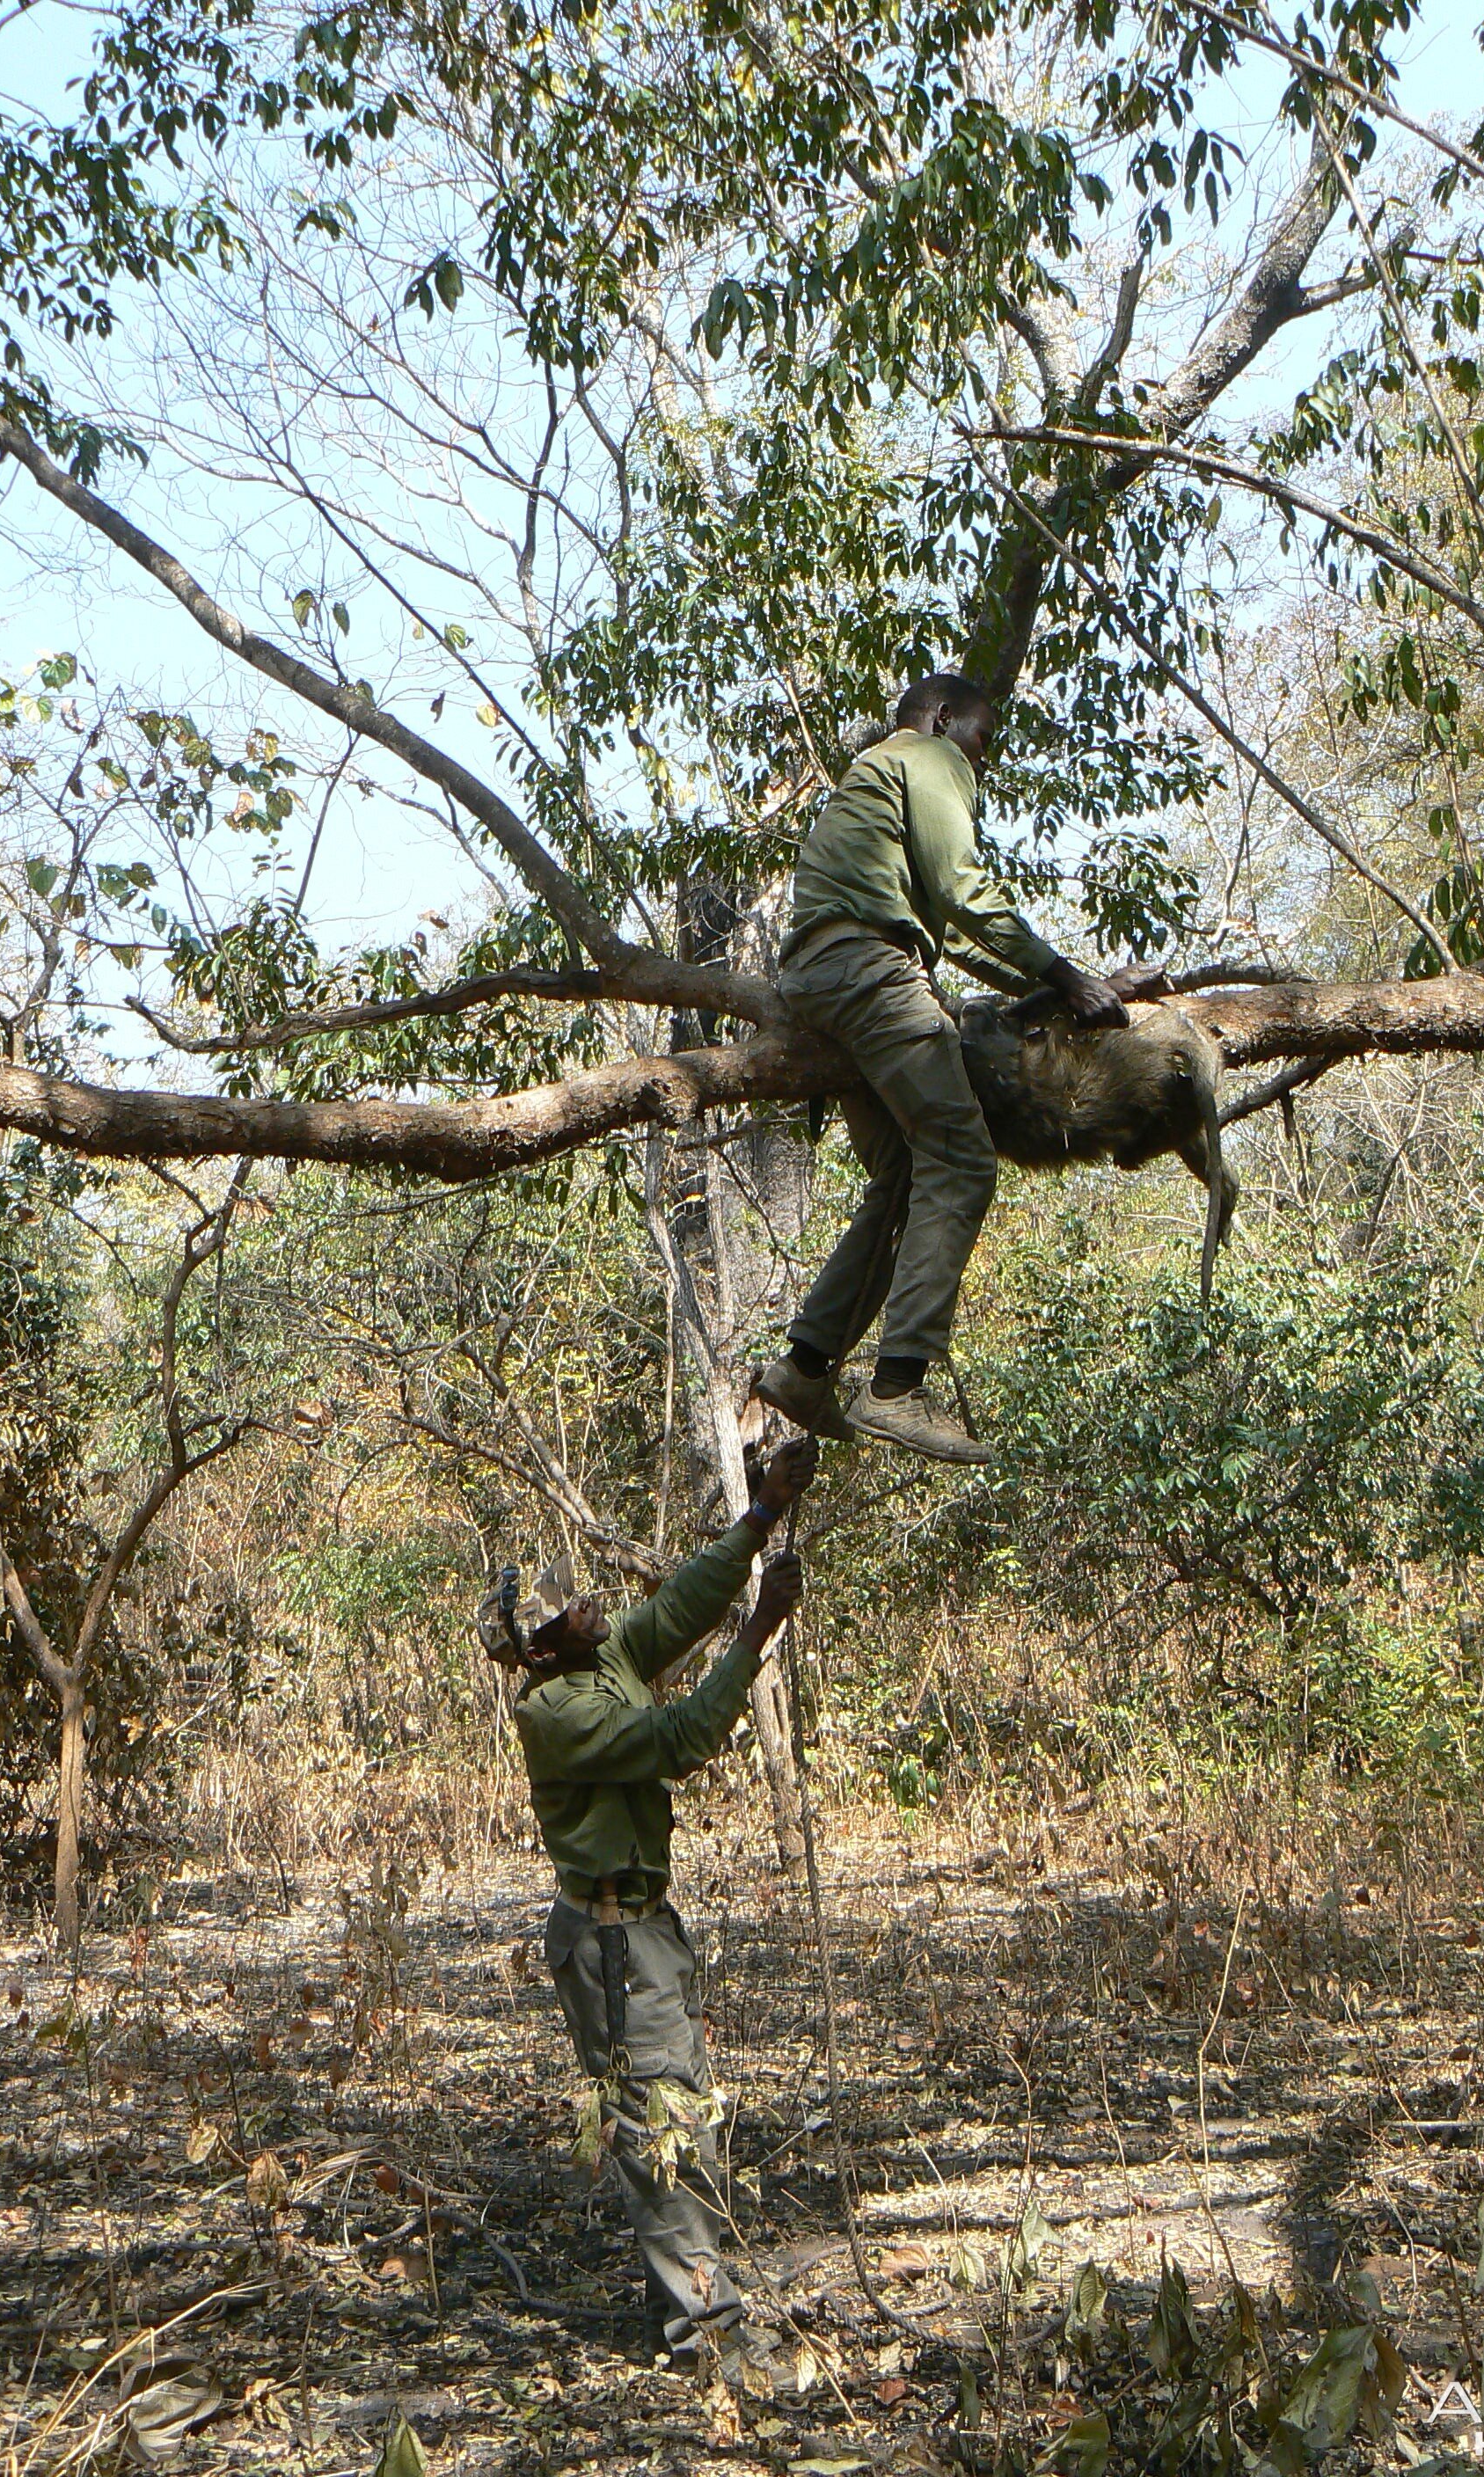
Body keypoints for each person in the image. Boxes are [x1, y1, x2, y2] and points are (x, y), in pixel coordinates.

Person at [476, 1435, 819, 2364]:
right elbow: (678, 1735)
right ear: (542, 1646)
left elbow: (679, 1605)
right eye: (565, 1608)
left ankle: (697, 2296)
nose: (588, 1604)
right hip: (612, 1946)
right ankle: (707, 2330)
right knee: (657, 2124)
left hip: (644, 1930)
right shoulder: (558, 1712)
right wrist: (758, 1633)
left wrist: (759, 1516)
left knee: (688, 2112)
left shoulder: (601, 1655)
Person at [757, 671, 1129, 1464]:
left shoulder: (874, 783)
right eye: (983, 737)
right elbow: (964, 891)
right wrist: (1067, 976)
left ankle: (804, 1369)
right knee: (960, 1157)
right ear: (943, 716)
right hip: (870, 972)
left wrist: (1057, 994)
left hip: (822, 979)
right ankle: (897, 1388)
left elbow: (952, 936)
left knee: (901, 1172)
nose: (982, 759)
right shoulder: (925, 756)